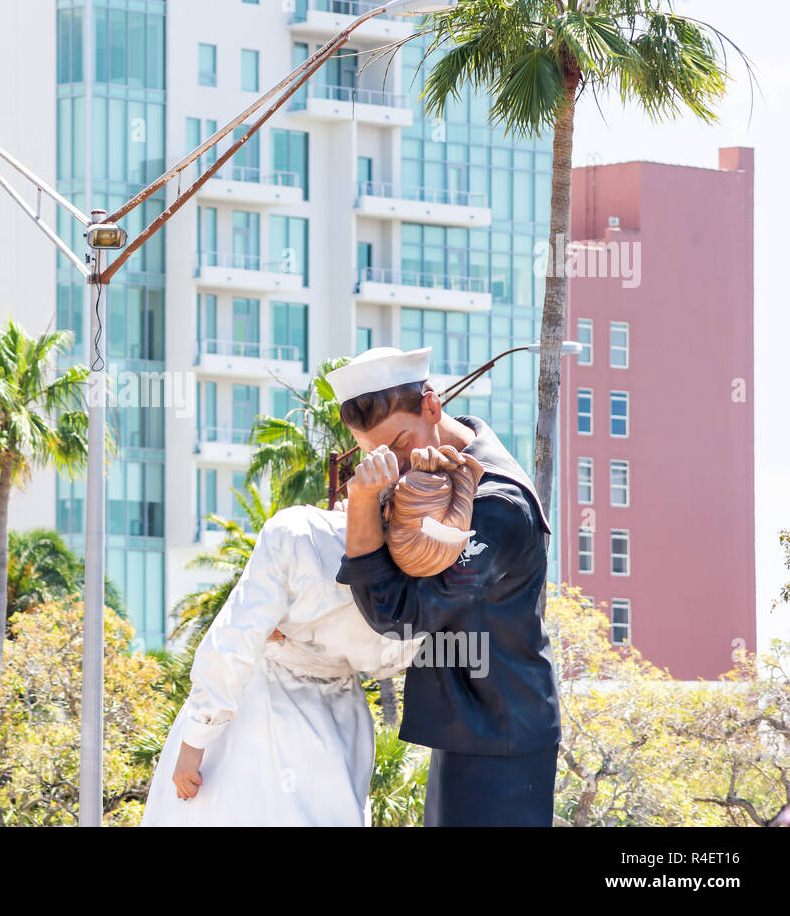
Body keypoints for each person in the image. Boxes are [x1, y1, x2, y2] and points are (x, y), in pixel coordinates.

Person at [330, 346, 561, 826]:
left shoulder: (496, 504)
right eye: (375, 455)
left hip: (503, 737)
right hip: (469, 726)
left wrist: (362, 507)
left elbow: (400, 614)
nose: (391, 464)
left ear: (432, 406)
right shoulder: (431, 476)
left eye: (396, 444)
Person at [141, 502, 422, 826]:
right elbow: (385, 665)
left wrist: (194, 743)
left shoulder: (300, 533)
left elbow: (235, 638)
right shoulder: (425, 586)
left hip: (261, 710)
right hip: (339, 725)